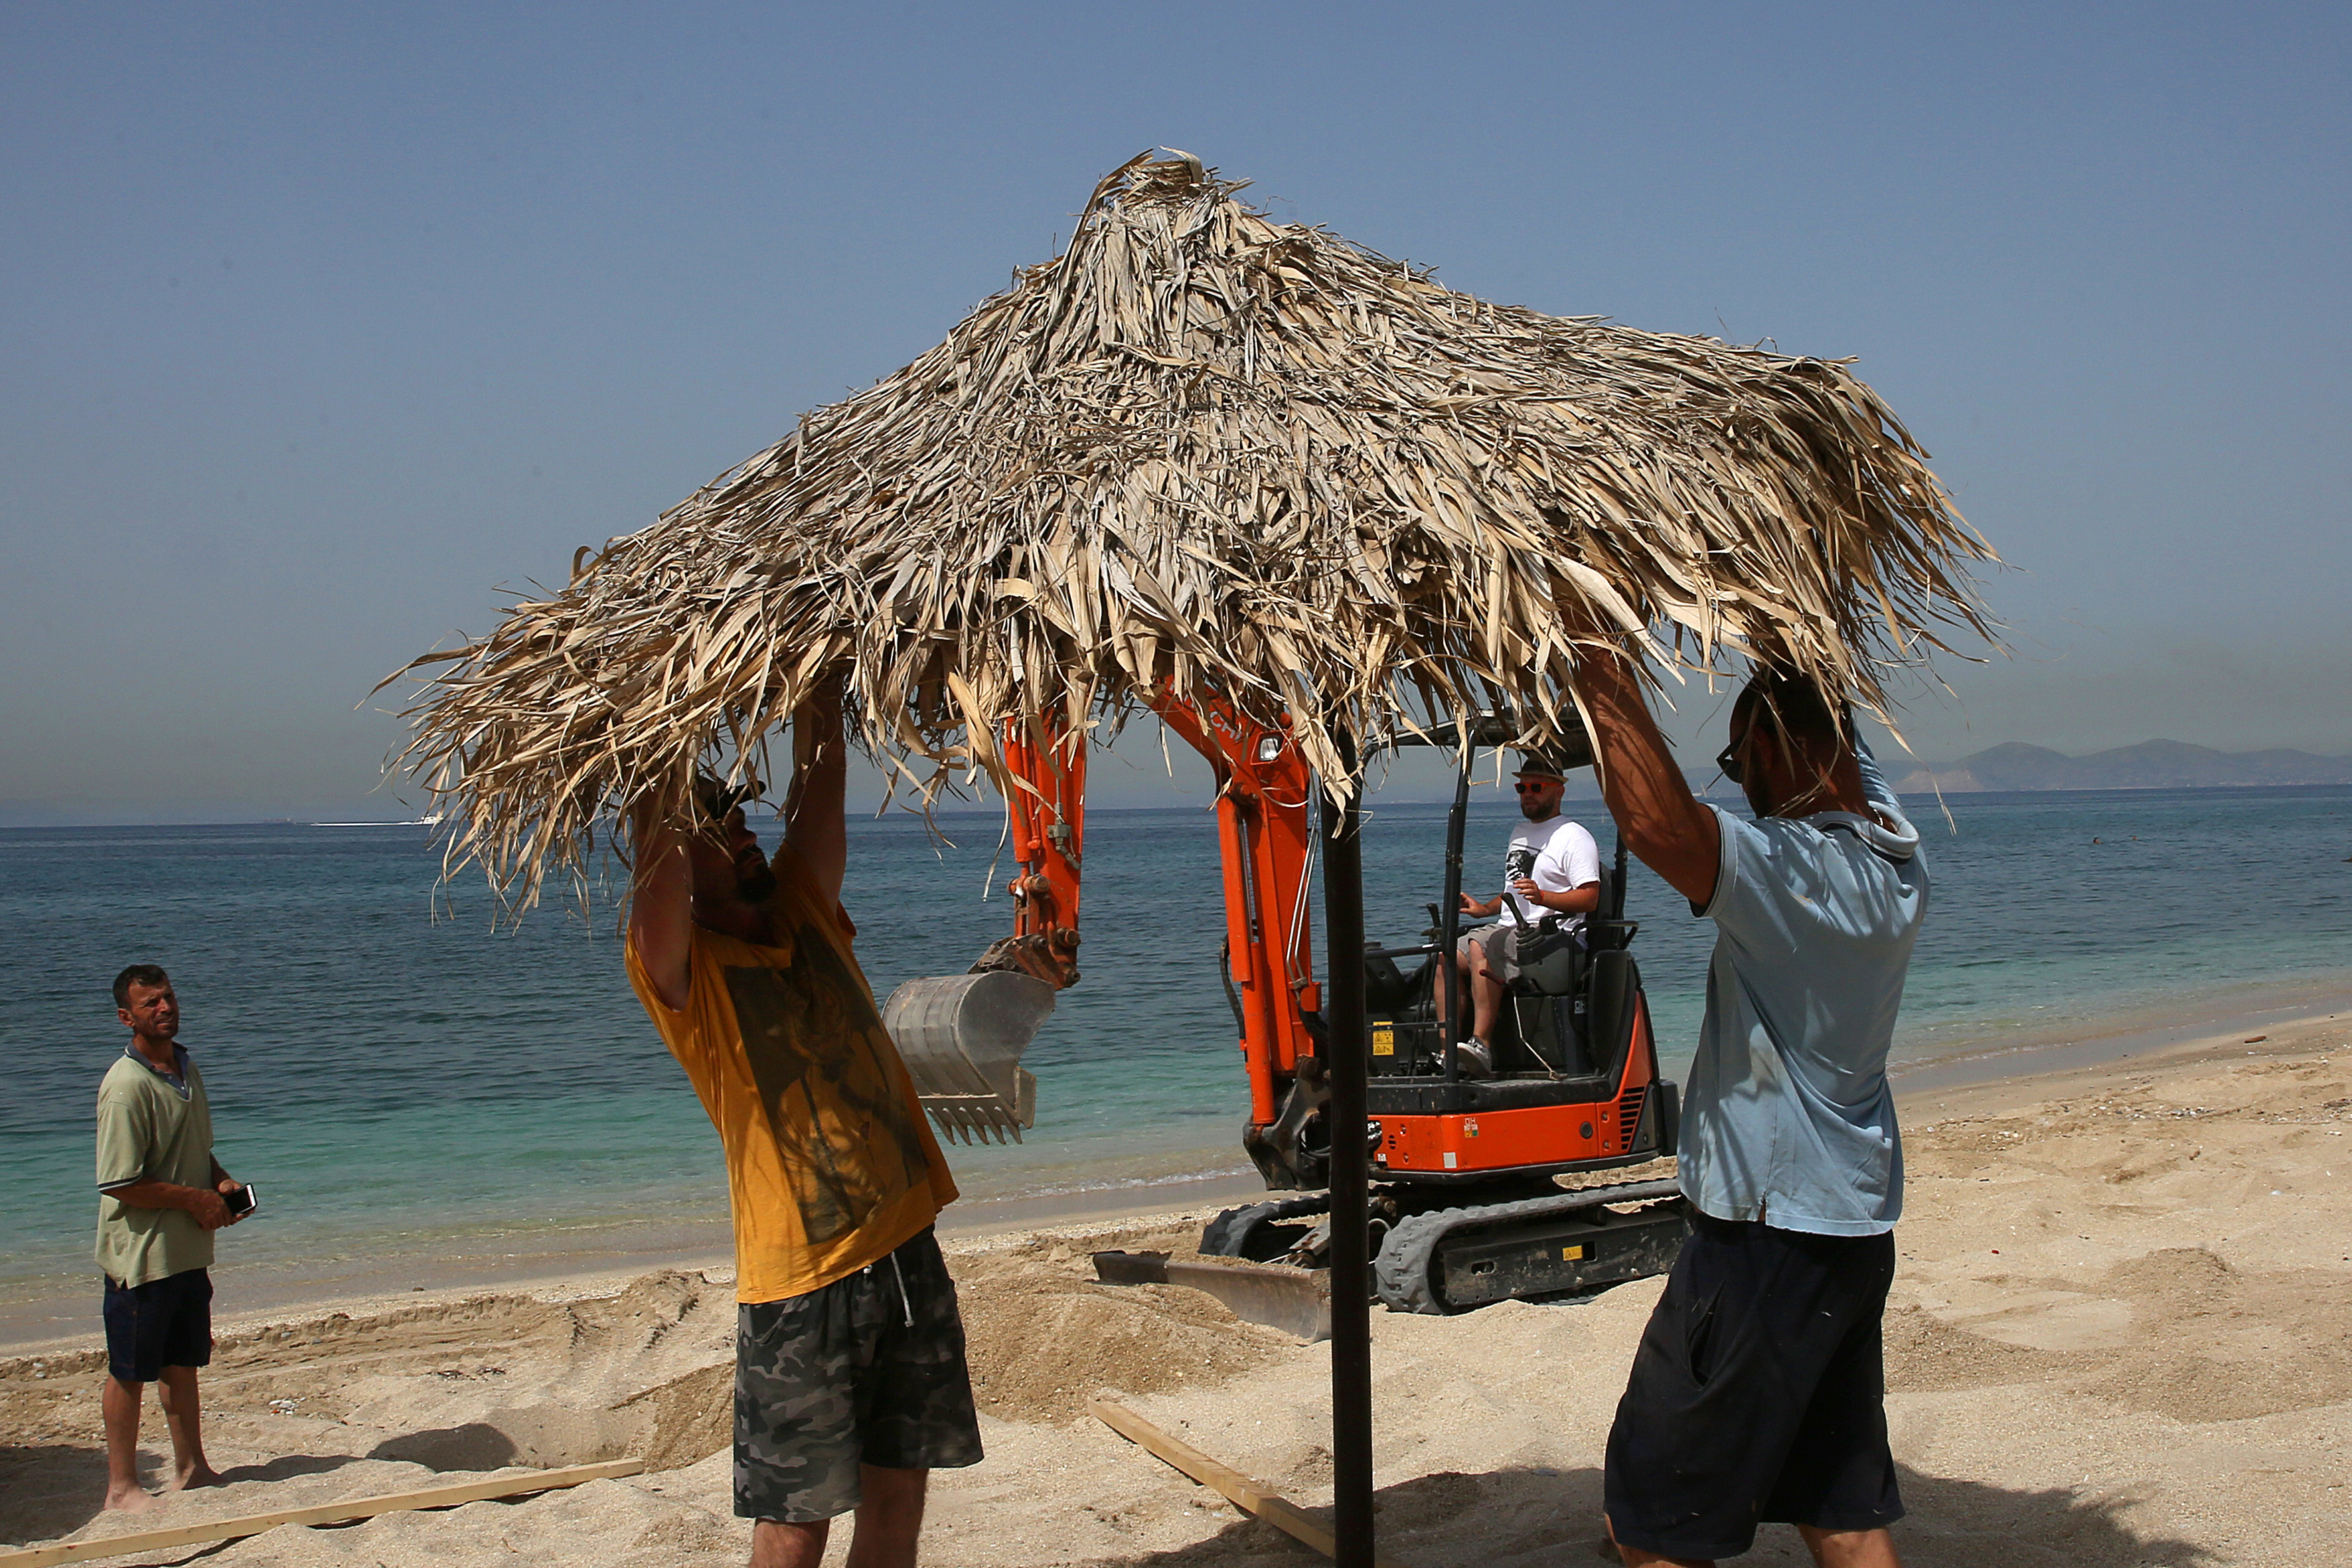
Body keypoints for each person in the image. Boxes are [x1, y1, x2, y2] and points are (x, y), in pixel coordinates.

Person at [1569, 642, 1926, 1568]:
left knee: (1648, 1524)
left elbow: (1655, 825)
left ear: (1773, 750)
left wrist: (1596, 660)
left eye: (1736, 762)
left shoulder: (1798, 880)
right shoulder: (1891, 851)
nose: (1740, 788)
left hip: (1762, 1245)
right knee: (1838, 1509)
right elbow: (1829, 740)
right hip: (1845, 1232)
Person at [625, 678, 979, 1568]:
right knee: (793, 1527)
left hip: (905, 1249)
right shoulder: (684, 975)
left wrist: (819, 690)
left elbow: (819, 786)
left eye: (741, 821)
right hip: (800, 1284)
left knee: (899, 1497)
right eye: (718, 832)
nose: (742, 834)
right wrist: (651, 759)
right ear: (677, 858)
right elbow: (656, 882)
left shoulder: (804, 909)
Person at [96, 964, 248, 1512]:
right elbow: (121, 1183)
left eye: (168, 997)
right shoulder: (126, 1086)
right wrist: (194, 1200)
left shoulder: (184, 1066)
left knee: (182, 1363)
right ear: (126, 1017)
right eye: (150, 1003)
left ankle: (192, 1467)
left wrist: (219, 1182)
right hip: (141, 1257)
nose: (164, 1008)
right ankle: (121, 1487)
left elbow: (190, 1147)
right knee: (129, 1371)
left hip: (185, 1250)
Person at [1449, 756, 1601, 1073]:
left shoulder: (1574, 837)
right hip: (1512, 930)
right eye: (1521, 787)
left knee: (1482, 945)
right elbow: (1514, 894)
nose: (1527, 794)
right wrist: (1484, 910)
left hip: (1553, 940)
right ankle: (1446, 1049)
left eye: (1536, 787)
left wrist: (1545, 897)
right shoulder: (1520, 832)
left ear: (1558, 791)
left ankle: (1482, 1044)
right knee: (1444, 956)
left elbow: (1590, 898)